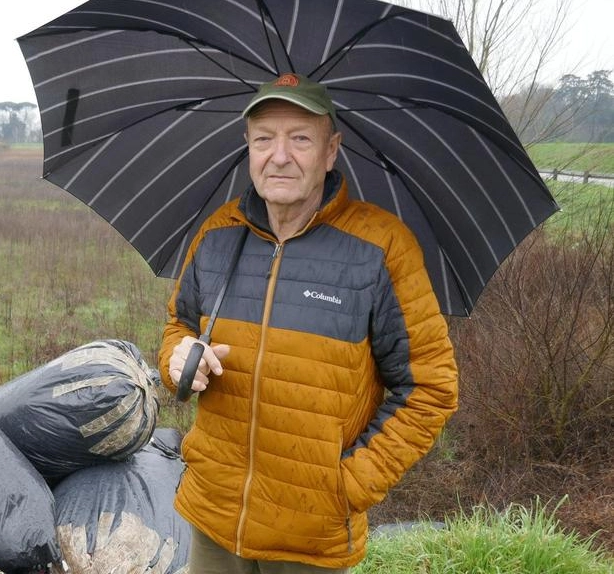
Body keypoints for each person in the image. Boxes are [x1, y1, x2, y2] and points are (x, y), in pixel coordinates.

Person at [158, 72, 459, 573]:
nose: (279, 155)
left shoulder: (381, 249)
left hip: (310, 538)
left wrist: (349, 483)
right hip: (213, 517)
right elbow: (178, 326)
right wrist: (178, 358)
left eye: (300, 138)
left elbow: (431, 387)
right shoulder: (218, 234)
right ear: (248, 147)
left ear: (330, 150)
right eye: (263, 139)